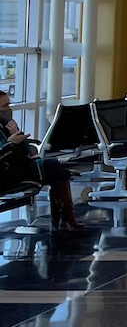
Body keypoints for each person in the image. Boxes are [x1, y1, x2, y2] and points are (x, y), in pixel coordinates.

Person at [0, 90, 82, 231]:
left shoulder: (7, 125)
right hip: (6, 174)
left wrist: (15, 135)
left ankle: (66, 215)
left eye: (9, 105)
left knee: (54, 167)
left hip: (20, 168)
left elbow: (26, 152)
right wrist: (11, 143)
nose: (9, 109)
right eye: (4, 106)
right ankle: (66, 215)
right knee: (55, 168)